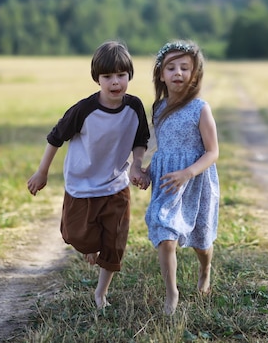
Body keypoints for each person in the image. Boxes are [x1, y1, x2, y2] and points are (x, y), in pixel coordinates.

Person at [27, 40, 150, 309]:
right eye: (108, 76)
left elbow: (141, 139)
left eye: (121, 75)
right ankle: (88, 247)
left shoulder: (135, 107)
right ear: (97, 79)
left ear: (129, 75)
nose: (115, 82)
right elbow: (55, 138)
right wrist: (41, 172)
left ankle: (100, 293)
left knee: (115, 244)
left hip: (116, 185)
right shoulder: (84, 110)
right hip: (81, 185)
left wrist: (136, 164)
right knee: (77, 235)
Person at [143, 40, 220, 315]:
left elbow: (213, 152)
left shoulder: (201, 108)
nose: (177, 73)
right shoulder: (158, 108)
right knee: (166, 235)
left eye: (184, 68)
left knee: (201, 240)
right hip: (168, 183)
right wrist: (146, 173)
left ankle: (205, 268)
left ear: (195, 74)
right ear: (161, 75)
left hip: (196, 182)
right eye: (171, 67)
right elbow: (162, 151)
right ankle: (171, 293)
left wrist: (188, 172)